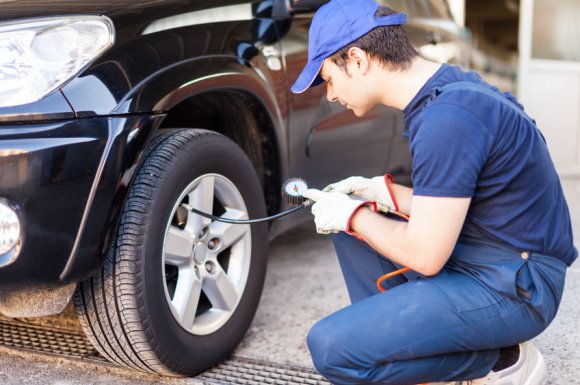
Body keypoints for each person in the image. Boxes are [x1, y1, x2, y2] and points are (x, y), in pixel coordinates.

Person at [290, 0, 578, 384]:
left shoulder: (448, 118)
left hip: (517, 286)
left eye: (328, 78)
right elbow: (466, 201)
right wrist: (379, 195)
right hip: (495, 253)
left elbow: (425, 256)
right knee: (352, 224)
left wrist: (353, 214)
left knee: (332, 348)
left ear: (357, 60)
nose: (330, 94)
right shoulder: (449, 90)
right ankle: (416, 346)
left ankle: (497, 361)